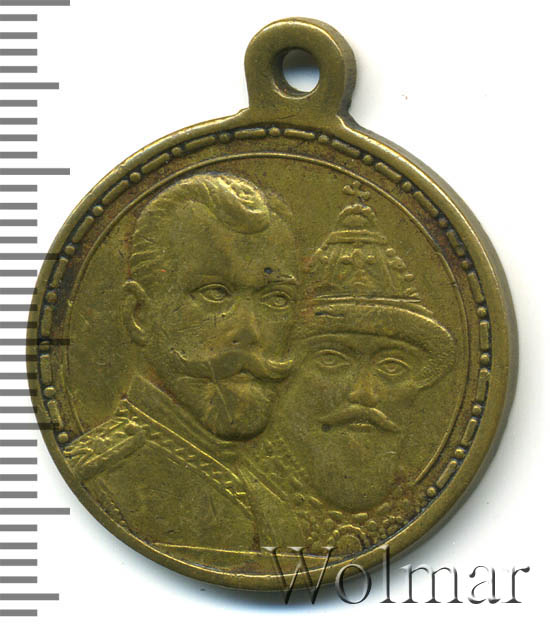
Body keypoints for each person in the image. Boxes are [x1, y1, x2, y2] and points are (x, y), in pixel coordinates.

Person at [63, 172, 299, 560]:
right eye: (215, 294)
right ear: (139, 314)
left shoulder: (271, 503)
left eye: (276, 299)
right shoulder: (97, 480)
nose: (249, 333)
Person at [243, 193, 456, 554]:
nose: (363, 393)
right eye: (332, 360)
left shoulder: (409, 502)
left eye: (392, 366)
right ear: (280, 372)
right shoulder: (228, 498)